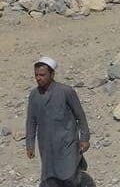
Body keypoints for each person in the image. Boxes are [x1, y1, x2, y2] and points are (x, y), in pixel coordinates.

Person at [26, 57, 91, 187]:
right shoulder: (34, 95)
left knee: (70, 175)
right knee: (50, 177)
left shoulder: (66, 91)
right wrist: (30, 144)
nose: (38, 78)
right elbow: (31, 122)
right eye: (36, 75)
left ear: (52, 74)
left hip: (67, 142)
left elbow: (80, 116)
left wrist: (84, 138)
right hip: (47, 144)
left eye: (42, 75)